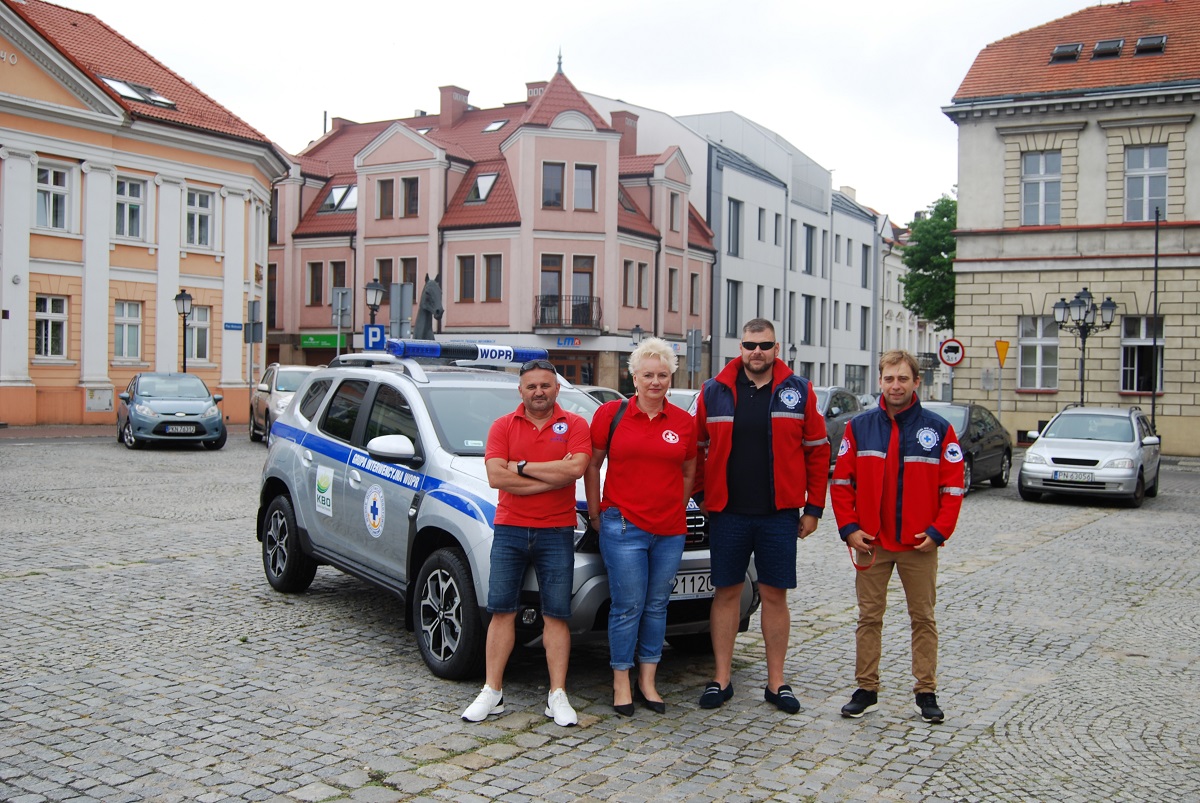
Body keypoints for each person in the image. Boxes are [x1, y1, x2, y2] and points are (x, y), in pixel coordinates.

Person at [693, 318, 829, 714]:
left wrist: (814, 508)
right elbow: (697, 448)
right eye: (750, 345)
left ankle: (776, 682)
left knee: (774, 595)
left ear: (776, 348)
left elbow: (818, 451)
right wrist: (701, 494)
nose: (757, 352)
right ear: (740, 348)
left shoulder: (798, 392)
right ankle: (721, 678)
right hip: (728, 513)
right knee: (726, 594)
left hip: (778, 514)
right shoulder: (714, 391)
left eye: (765, 345)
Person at [831, 350, 964, 724]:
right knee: (868, 618)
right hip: (871, 542)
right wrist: (850, 529)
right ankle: (866, 688)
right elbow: (841, 483)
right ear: (880, 381)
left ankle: (926, 691)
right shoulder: (859, 428)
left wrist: (938, 533)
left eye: (903, 379)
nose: (895, 385)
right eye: (889, 379)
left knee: (922, 617)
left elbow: (953, 488)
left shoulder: (938, 429)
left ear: (916, 382)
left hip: (918, 543)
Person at [462, 358, 591, 727]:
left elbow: (576, 469)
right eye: (531, 386)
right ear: (520, 390)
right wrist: (551, 477)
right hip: (510, 529)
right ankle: (493, 691)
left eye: (545, 385)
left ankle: (557, 695)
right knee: (501, 611)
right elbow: (494, 477)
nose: (539, 392)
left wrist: (519, 466)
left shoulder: (576, 424)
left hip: (557, 531)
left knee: (557, 614)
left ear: (557, 388)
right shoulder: (503, 425)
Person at [584, 338, 697, 717]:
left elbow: (688, 470)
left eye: (663, 375)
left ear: (671, 377)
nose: (655, 382)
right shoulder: (611, 415)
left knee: (657, 606)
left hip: (669, 530)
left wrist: (676, 509)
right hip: (622, 526)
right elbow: (592, 463)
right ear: (634, 377)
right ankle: (621, 680)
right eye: (648, 374)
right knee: (627, 605)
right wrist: (597, 512)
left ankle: (648, 680)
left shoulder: (684, 422)